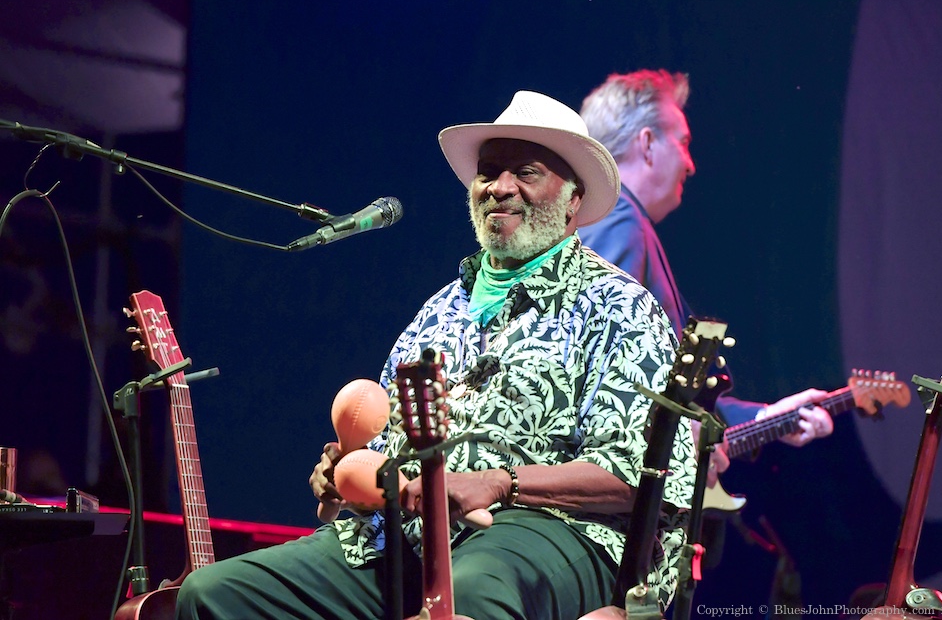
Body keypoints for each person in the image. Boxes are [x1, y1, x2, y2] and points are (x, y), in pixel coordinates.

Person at [175, 90, 698, 619]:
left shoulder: (618, 306)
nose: (500, 187)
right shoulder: (439, 310)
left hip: (552, 532)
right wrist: (352, 474)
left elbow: (639, 472)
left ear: (573, 199)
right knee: (211, 594)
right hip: (407, 542)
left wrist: (501, 482)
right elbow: (387, 450)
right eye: (488, 172)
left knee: (472, 592)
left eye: (526, 172)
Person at [577, 69, 833, 486]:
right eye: (683, 142)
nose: (691, 164)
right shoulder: (621, 222)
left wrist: (766, 417)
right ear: (647, 143)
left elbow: (675, 392)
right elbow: (595, 362)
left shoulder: (623, 223)